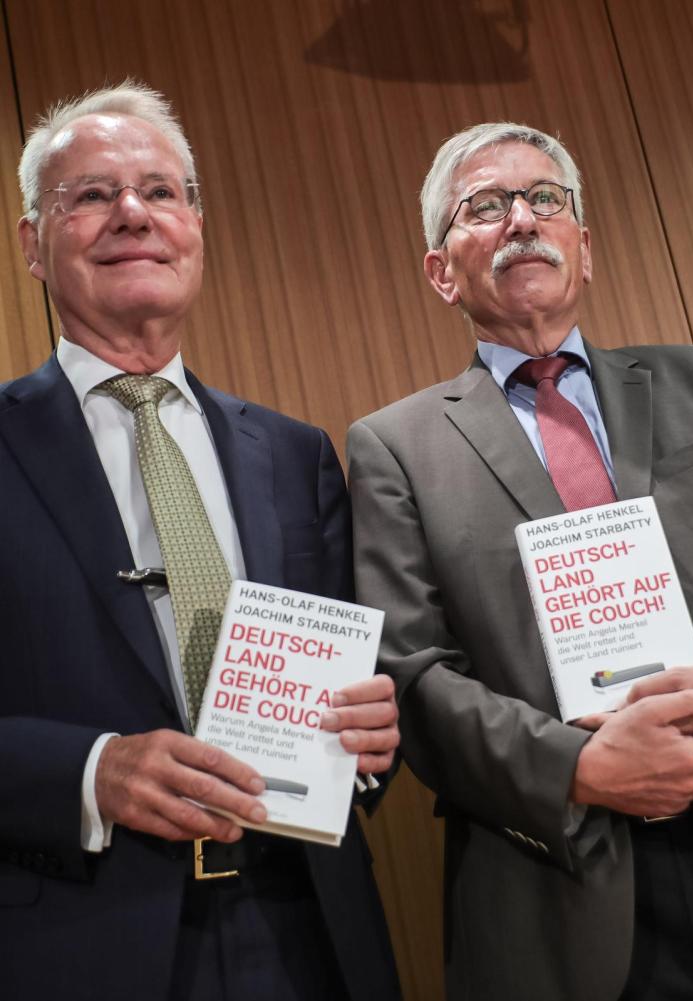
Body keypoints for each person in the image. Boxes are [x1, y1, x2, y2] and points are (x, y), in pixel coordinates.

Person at [347, 122, 693, 1001]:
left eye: (546, 200)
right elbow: (413, 673)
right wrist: (578, 769)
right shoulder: (393, 447)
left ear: (585, 247)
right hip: (567, 897)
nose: (521, 219)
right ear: (440, 269)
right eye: (484, 207)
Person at [0, 82, 400, 1001]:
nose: (132, 213)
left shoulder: (298, 454)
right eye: (91, 195)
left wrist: (382, 730)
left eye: (161, 190)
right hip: (76, 937)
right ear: (32, 244)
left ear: (196, 228)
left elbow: (366, 681)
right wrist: (91, 770)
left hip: (310, 929)